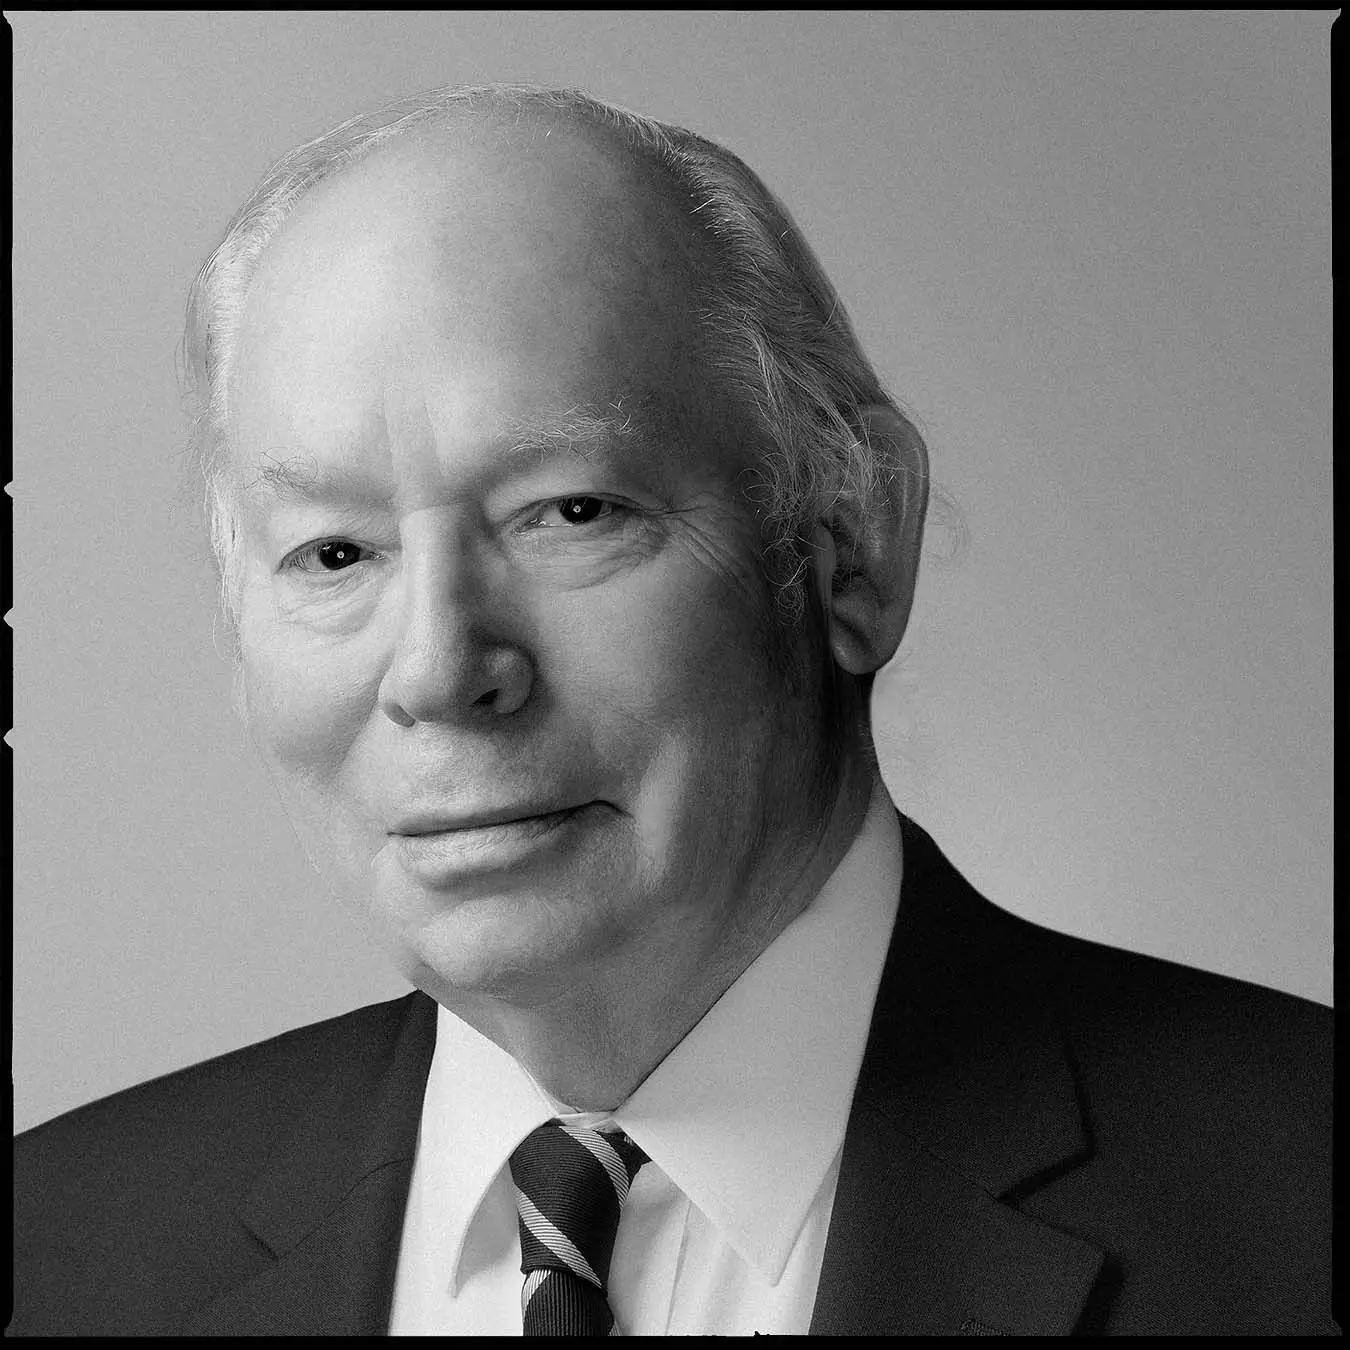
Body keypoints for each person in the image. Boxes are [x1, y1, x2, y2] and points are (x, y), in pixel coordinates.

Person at [9, 84, 1334, 1338]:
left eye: (570, 512)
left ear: (850, 546)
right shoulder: (53, 1254)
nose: (438, 671)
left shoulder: (1300, 1212)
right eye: (335, 553)